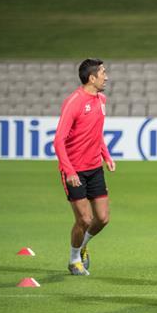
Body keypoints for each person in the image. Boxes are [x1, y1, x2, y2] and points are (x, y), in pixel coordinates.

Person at [54, 59, 116, 276]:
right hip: (75, 170)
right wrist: (69, 170)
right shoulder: (74, 102)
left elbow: (96, 132)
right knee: (85, 219)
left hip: (94, 168)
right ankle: (73, 260)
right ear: (92, 78)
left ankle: (82, 246)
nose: (106, 77)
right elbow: (58, 140)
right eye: (103, 73)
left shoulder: (101, 99)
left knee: (103, 218)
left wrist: (106, 156)